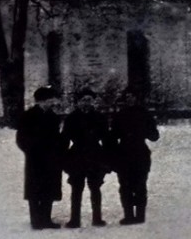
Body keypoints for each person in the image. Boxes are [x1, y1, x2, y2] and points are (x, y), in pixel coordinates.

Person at [60, 88, 113, 228]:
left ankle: (97, 218)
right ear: (78, 102)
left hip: (95, 156)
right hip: (77, 156)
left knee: (95, 188)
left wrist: (109, 158)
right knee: (76, 189)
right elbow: (65, 139)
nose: (86, 103)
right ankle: (74, 219)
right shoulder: (71, 118)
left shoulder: (99, 118)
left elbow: (106, 139)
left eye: (89, 100)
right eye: (83, 100)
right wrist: (61, 156)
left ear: (93, 102)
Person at [16, 86, 65, 230]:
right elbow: (21, 139)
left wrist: (59, 149)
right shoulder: (28, 116)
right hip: (35, 160)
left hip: (51, 159)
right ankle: (36, 220)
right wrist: (33, 151)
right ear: (41, 101)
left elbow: (57, 138)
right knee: (35, 191)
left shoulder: (53, 117)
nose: (52, 103)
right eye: (49, 100)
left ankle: (46, 219)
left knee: (49, 189)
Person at [110, 87, 159, 225]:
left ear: (137, 98)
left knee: (140, 185)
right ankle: (129, 215)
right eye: (127, 97)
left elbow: (154, 136)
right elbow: (113, 136)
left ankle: (140, 215)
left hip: (140, 154)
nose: (129, 99)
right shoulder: (120, 115)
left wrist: (144, 131)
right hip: (124, 155)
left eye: (132, 96)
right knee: (125, 186)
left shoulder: (145, 114)